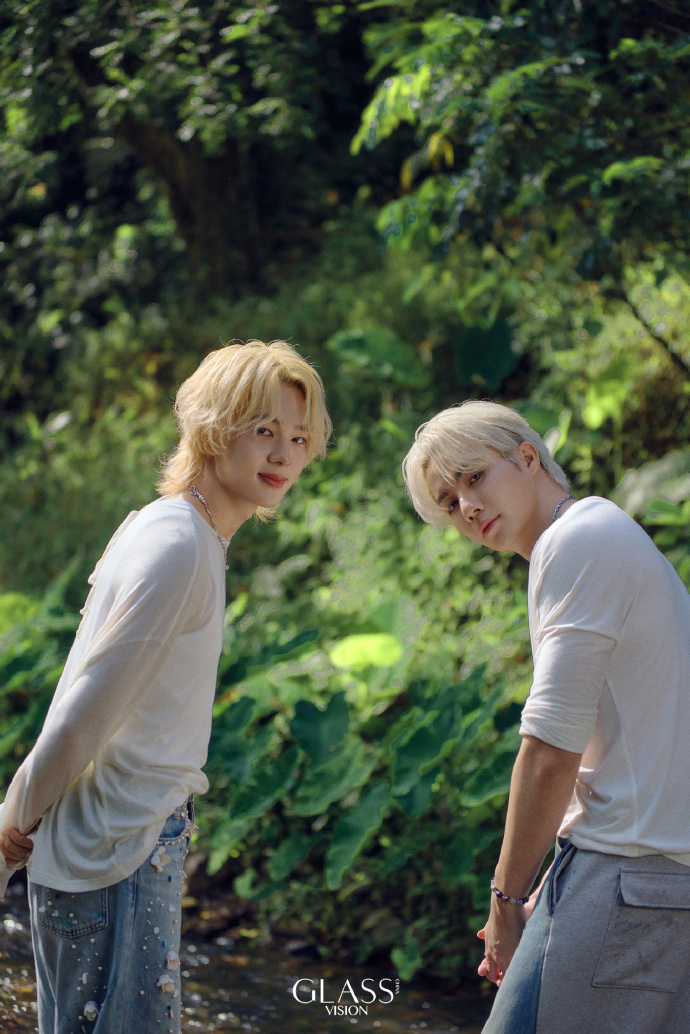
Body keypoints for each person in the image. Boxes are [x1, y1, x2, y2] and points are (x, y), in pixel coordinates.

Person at [0, 339, 332, 1034]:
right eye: (264, 430)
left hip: (122, 843)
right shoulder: (178, 545)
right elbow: (83, 713)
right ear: (213, 428)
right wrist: (11, 822)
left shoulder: (176, 531)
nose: (285, 454)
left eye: (300, 437)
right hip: (114, 851)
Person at [402, 400, 690, 1034]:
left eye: (474, 477)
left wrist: (505, 899)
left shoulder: (578, 541)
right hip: (650, 876)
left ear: (527, 457)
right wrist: (544, 887)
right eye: (449, 501)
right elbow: (616, 746)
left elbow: (552, 751)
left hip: (629, 878)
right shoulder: (598, 534)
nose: (467, 506)